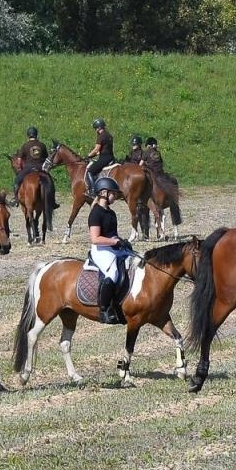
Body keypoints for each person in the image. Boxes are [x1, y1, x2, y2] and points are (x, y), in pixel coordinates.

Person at [87, 176, 132, 323]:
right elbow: (95, 238)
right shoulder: (95, 213)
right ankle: (105, 309)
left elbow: (113, 234)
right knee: (112, 274)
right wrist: (114, 241)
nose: (116, 196)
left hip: (112, 247)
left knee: (134, 262)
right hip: (100, 250)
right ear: (104, 193)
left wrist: (122, 242)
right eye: (114, 193)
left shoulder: (111, 213)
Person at [14, 126, 56, 211]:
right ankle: (52, 201)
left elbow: (19, 161)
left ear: (28, 135)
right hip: (41, 168)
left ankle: (16, 199)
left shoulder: (25, 145)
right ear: (36, 135)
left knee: (17, 181)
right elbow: (47, 158)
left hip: (28, 168)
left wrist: (19, 167)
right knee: (50, 183)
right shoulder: (42, 145)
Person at [87, 119, 115, 186]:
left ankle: (93, 190)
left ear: (99, 127)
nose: (95, 130)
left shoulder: (101, 136)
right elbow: (102, 150)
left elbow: (96, 150)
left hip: (104, 158)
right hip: (111, 157)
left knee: (90, 171)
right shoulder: (109, 135)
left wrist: (88, 156)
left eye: (95, 128)